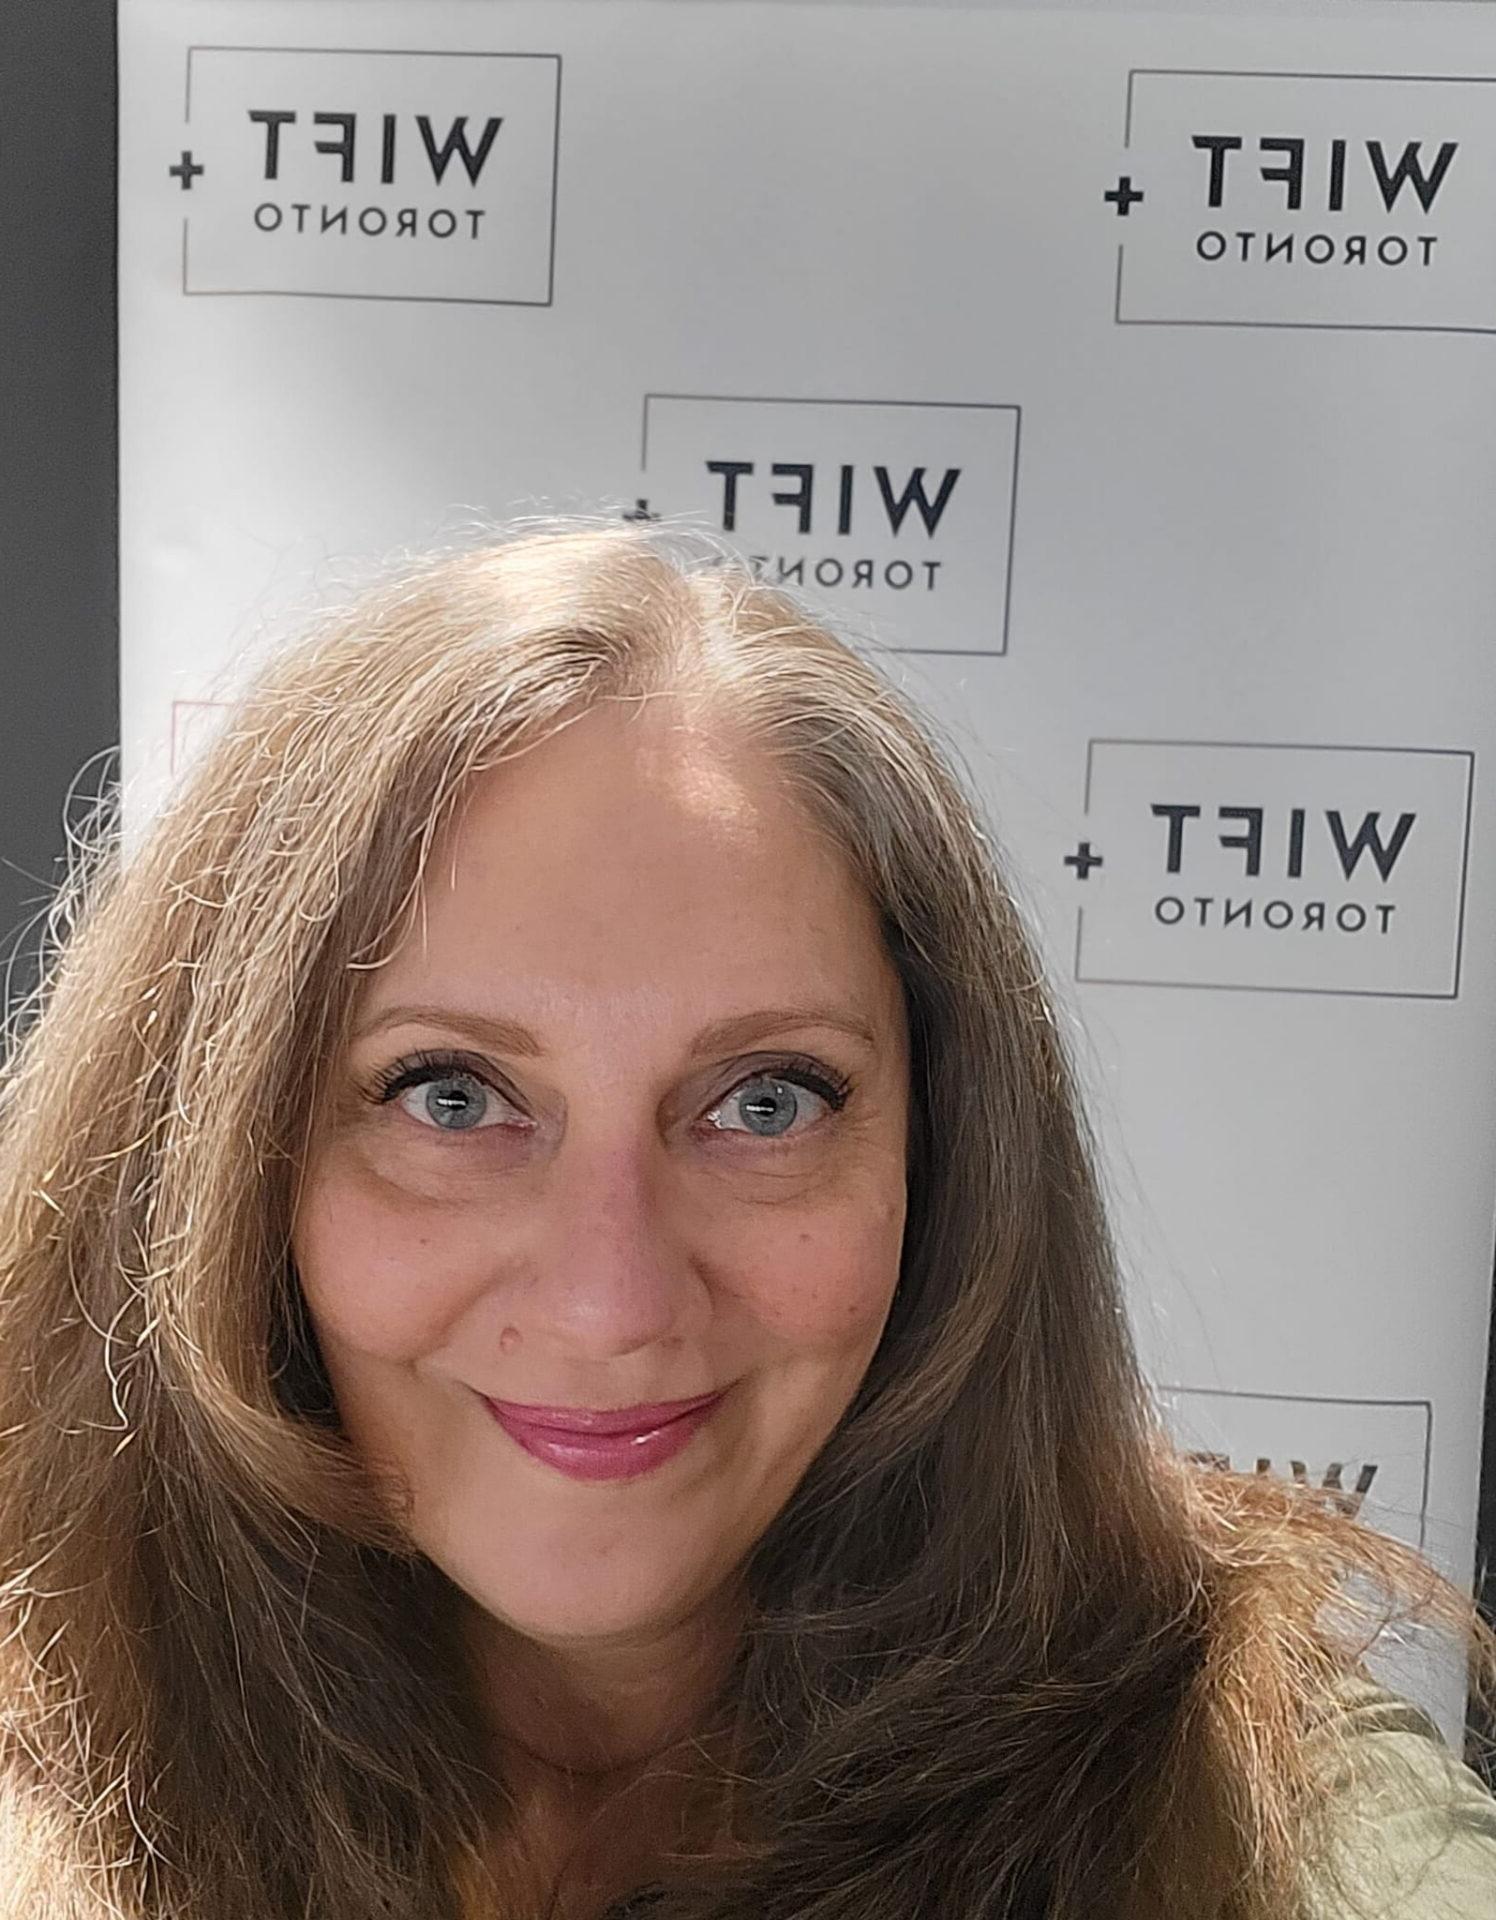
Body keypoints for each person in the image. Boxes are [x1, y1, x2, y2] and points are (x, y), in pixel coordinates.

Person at [0, 522, 1492, 1920]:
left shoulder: (1237, 1778)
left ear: (944, 1151)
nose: (611, 1299)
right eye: (449, 1097)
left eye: (765, 1102)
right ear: (218, 1158)